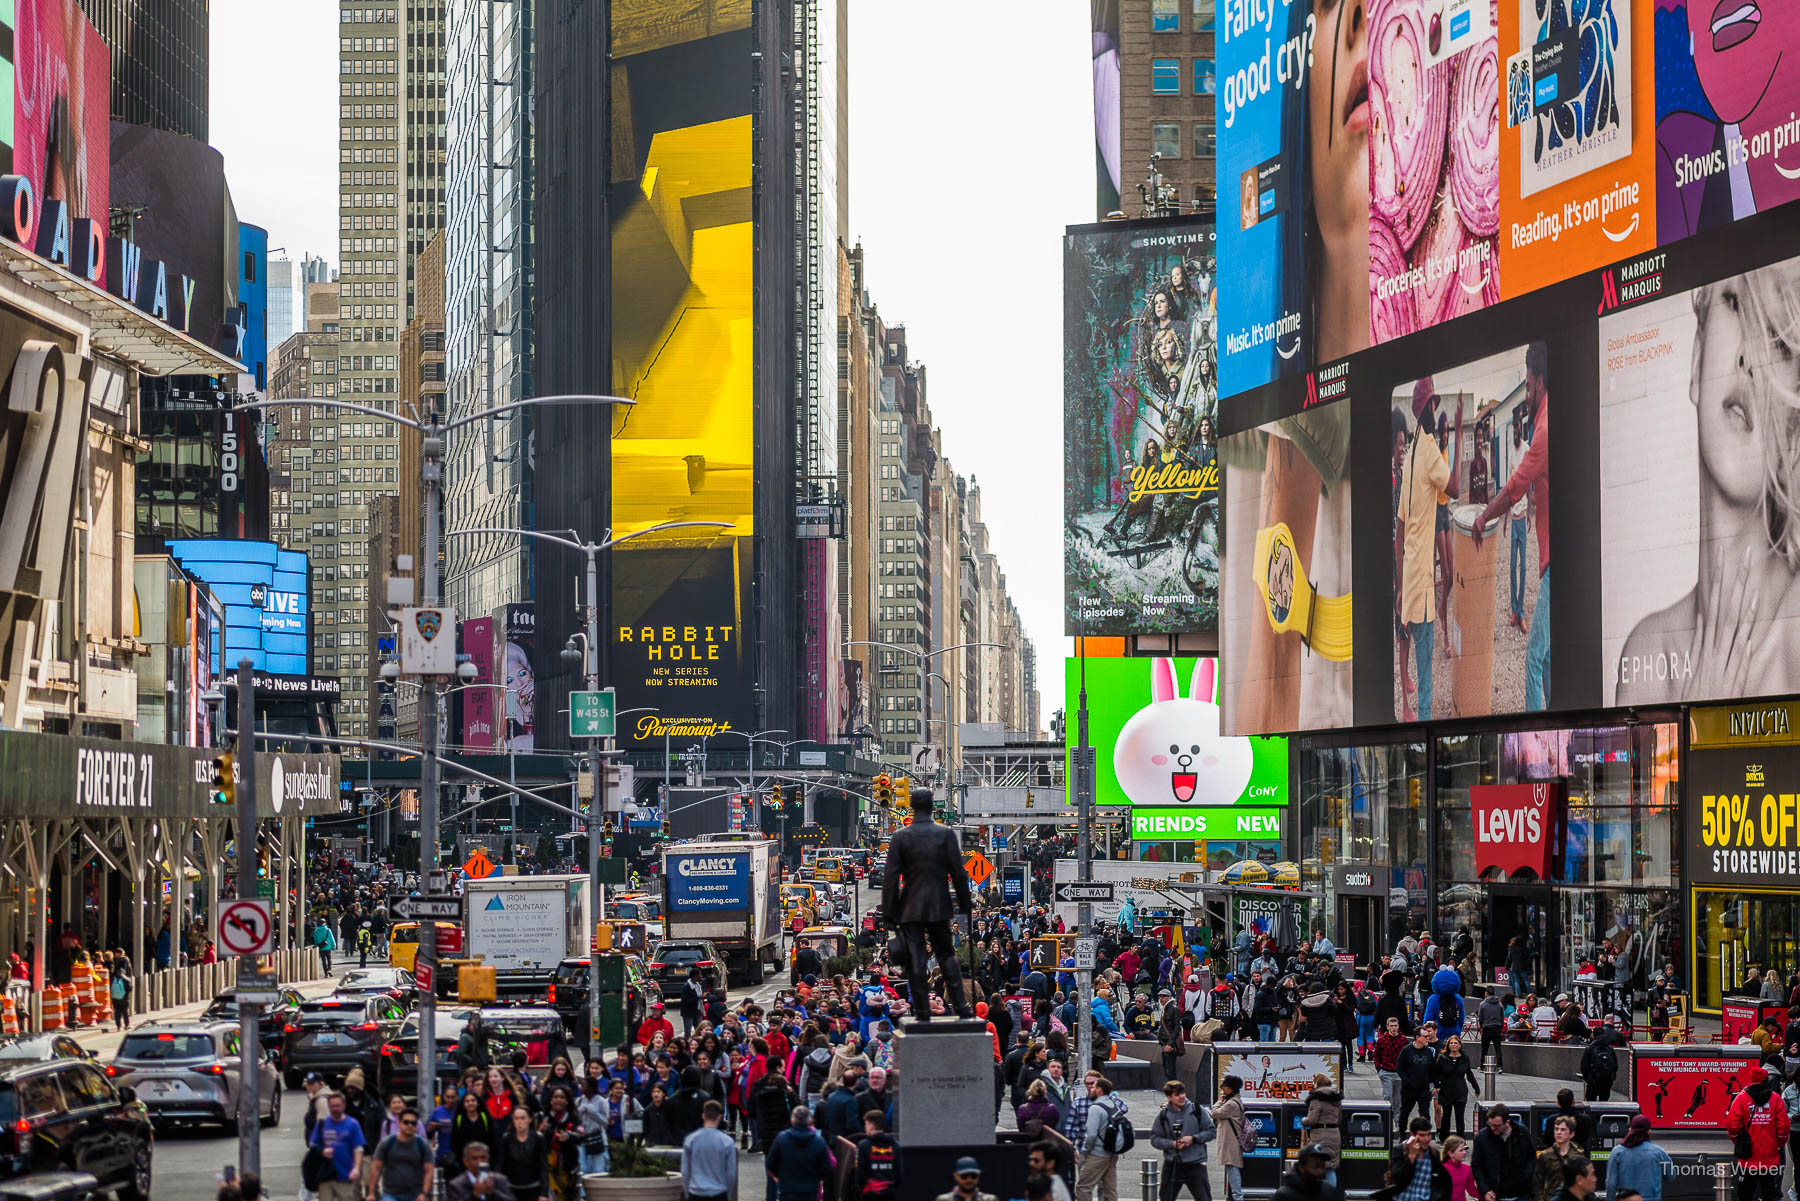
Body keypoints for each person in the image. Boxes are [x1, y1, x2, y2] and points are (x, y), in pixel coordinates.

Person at [1396, 378, 1463, 720]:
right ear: (1426, 410)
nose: (1436, 411)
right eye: (1434, 406)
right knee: (1425, 680)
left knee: (1421, 669)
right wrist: (1461, 433)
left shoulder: (1409, 457)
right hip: (1421, 585)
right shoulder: (1427, 452)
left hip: (1410, 582)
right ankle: (1422, 739)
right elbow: (1455, 487)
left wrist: (1399, 588)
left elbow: (1401, 526)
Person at [881, 786, 975, 1020]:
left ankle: (922, 1010)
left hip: (910, 907)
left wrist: (890, 915)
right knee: (946, 954)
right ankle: (961, 1006)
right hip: (938, 904)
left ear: (912, 807)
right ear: (932, 806)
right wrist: (965, 903)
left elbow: (890, 879)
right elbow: (959, 872)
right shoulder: (945, 834)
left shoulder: (901, 837)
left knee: (916, 958)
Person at [1725, 1066, 1790, 1201]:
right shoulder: (1775, 1099)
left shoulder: (1741, 1098)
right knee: (1769, 1193)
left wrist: (1739, 1141)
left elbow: (1732, 1125)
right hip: (1770, 1156)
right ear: (1765, 1080)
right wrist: (1778, 1143)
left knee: (1745, 1194)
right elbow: (1783, 1126)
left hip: (1747, 1157)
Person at [1149, 1079, 1216, 1201]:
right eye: (1177, 1094)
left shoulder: (1197, 1110)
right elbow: (1155, 1138)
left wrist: (1193, 1139)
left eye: (1183, 1093)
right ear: (1169, 1097)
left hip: (1195, 1163)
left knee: (1204, 1198)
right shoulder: (1164, 1115)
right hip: (1172, 1163)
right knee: (1166, 1197)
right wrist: (1172, 1144)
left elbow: (1211, 1131)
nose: (1182, 1097)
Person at [766, 1105, 835, 1201]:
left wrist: (780, 1179)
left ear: (792, 1120)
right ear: (810, 1121)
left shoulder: (782, 1138)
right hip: (810, 1192)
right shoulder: (819, 1141)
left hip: (788, 1191)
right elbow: (827, 1169)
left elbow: (770, 1164)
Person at [309, 1091, 369, 1201]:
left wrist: (356, 1168)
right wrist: (322, 1151)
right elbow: (313, 1145)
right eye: (332, 1106)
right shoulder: (322, 1124)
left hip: (345, 1175)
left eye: (337, 1106)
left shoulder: (353, 1124)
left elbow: (358, 1149)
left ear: (344, 1106)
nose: (335, 1109)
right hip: (325, 1175)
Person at [1079, 1073, 1129, 1201]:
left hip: (1098, 1153)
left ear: (1100, 1090)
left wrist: (1085, 1151)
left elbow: (1090, 1135)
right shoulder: (1113, 1105)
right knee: (1110, 1189)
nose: (1091, 1088)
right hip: (1112, 1154)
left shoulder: (1095, 1108)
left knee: (1084, 1187)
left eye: (1094, 1086)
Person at [368, 1106, 435, 1201]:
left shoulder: (423, 1145)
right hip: (390, 1194)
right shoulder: (387, 1142)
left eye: (413, 1123)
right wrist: (371, 1193)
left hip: (415, 1195)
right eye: (406, 1122)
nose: (410, 1125)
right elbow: (376, 1168)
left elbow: (429, 1170)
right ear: (399, 1123)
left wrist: (424, 1193)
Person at [1473, 1104, 1537, 1201]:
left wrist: (1525, 1177)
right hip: (1494, 1194)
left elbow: (1531, 1158)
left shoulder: (1522, 1133)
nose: (1492, 1128)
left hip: (1520, 1193)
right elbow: (1476, 1166)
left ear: (1507, 1122)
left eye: (1497, 1126)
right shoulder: (1482, 1137)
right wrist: (1485, 1190)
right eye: (1490, 1124)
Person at [680, 1100, 736, 1201]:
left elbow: (685, 1171)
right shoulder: (727, 1142)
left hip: (696, 1191)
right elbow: (731, 1173)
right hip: (719, 1191)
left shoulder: (690, 1140)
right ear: (720, 1117)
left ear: (703, 1116)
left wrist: (687, 1192)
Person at [1606, 1117, 1671, 1201]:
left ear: (1630, 1130)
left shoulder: (1617, 1151)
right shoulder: (1659, 1152)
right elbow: (1671, 1176)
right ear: (1649, 1132)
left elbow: (1610, 1183)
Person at [1388, 1118, 1451, 1201]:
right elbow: (1397, 1178)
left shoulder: (1433, 1154)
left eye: (1428, 1134)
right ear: (1412, 1135)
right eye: (1422, 1135)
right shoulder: (1400, 1150)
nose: (1426, 1139)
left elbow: (1441, 1182)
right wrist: (1411, 1156)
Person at [493, 1108, 545, 1201]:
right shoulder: (507, 1138)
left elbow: (543, 1166)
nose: (519, 1121)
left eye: (522, 1118)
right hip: (511, 1188)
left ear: (530, 1119)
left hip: (533, 1188)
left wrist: (544, 1193)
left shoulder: (538, 1138)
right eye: (516, 1118)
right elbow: (500, 1165)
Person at [1435, 1035, 1480, 1139]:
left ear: (1460, 1045)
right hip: (1446, 1091)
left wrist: (1476, 1087)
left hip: (1460, 1091)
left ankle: (1461, 1139)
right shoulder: (1442, 1058)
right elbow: (1436, 1074)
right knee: (1446, 1116)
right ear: (1448, 1045)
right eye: (1451, 1043)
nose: (1453, 1045)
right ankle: (1444, 1139)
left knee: (1460, 1117)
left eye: (1456, 1043)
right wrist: (1437, 1087)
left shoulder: (1465, 1058)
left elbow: (1469, 1074)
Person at [1300, 1073, 1342, 1186]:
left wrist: (1303, 1120)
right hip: (1334, 1134)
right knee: (1331, 1167)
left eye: (1313, 1081)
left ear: (1318, 1082)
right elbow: (1339, 1119)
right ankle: (1330, 1194)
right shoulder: (1336, 1098)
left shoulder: (1316, 1099)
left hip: (1320, 1136)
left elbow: (1312, 1120)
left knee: (1316, 1166)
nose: (1312, 1084)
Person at [1396, 1023, 1438, 1132]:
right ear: (1417, 1037)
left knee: (1425, 1114)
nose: (1427, 1038)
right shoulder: (1407, 1050)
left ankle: (1425, 1134)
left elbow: (1433, 1070)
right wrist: (1407, 1081)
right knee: (1405, 1112)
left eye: (1428, 1036)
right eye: (1425, 1036)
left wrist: (1435, 1085)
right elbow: (1399, 1068)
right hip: (1409, 1089)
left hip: (1424, 1089)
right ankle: (1402, 1134)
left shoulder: (1428, 1051)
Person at [1533, 1118, 1586, 1201]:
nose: (1559, 1132)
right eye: (1556, 1129)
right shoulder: (1545, 1156)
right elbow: (1537, 1183)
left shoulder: (1579, 1155)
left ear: (1571, 1134)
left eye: (1563, 1129)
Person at [1214, 1074, 1248, 1201]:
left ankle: (1238, 1197)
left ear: (1231, 1088)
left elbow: (1214, 1113)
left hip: (1231, 1142)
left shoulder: (1231, 1104)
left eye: (1224, 1086)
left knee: (1232, 1168)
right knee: (1231, 1167)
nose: (1222, 1088)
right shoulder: (1234, 1101)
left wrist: (1218, 1101)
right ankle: (1235, 1196)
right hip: (1231, 1140)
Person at [854, 1111, 902, 1200]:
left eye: (866, 1124)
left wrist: (860, 1188)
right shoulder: (895, 1145)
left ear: (871, 1125)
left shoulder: (863, 1146)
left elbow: (860, 1171)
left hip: (869, 1191)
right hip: (889, 1191)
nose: (865, 1127)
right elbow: (899, 1171)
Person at [446, 1144, 516, 1201]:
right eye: (474, 1158)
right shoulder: (456, 1185)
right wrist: (475, 1196)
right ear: (466, 1162)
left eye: (483, 1158)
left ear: (488, 1159)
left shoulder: (500, 1180)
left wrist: (492, 1193)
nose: (480, 1162)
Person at [1276, 1144, 1346, 1201]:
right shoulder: (1284, 1195)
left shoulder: (1329, 1191)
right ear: (1301, 1167)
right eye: (1316, 1166)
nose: (1320, 1171)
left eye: (1322, 1166)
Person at [1580, 1021, 1626, 1101]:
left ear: (1593, 1036)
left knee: (1591, 1103)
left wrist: (1588, 1078)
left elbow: (1583, 1066)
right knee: (1604, 1102)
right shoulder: (1610, 1049)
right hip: (1607, 1081)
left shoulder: (1590, 1049)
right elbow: (1615, 1066)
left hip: (1593, 1081)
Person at [1445, 1137, 1480, 1201]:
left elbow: (1472, 1190)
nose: (1464, 1152)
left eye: (1464, 1149)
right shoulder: (1442, 1169)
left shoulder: (1466, 1168)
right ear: (1451, 1153)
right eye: (1461, 1150)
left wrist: (1486, 1195)